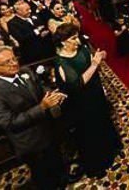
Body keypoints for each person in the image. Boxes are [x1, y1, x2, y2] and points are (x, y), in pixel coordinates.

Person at [0, 46, 70, 189]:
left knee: (56, 159)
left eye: (14, 58)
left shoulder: (25, 71)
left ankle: (64, 178)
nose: (13, 63)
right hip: (31, 142)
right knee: (43, 175)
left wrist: (51, 94)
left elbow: (40, 87)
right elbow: (9, 123)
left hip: (47, 129)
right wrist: (42, 108)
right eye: (6, 62)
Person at [51, 24, 121, 178]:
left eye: (77, 36)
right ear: (63, 42)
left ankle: (110, 150)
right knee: (90, 131)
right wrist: (95, 63)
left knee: (102, 120)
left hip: (95, 94)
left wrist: (100, 58)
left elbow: (94, 69)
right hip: (81, 103)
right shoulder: (62, 62)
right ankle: (97, 164)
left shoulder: (82, 49)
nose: (78, 40)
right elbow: (78, 84)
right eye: (73, 38)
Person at [7, 1, 55, 66]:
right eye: (27, 10)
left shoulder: (34, 16)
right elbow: (22, 38)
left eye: (29, 8)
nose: (30, 11)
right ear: (18, 11)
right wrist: (37, 32)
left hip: (48, 50)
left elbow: (44, 25)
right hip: (33, 54)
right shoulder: (12, 23)